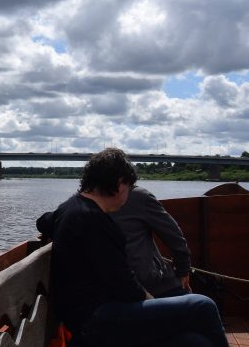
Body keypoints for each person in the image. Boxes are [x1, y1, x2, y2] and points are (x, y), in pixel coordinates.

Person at [39, 148, 228, 347]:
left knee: (195, 342)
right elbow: (125, 286)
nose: (128, 194)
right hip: (98, 322)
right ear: (120, 185)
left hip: (88, 317)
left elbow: (43, 222)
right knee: (204, 306)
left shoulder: (70, 207)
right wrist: (152, 302)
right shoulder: (94, 221)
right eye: (129, 188)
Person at [109, 186, 192, 298]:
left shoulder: (84, 204)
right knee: (201, 306)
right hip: (153, 285)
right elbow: (173, 235)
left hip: (110, 289)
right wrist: (183, 270)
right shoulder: (138, 196)